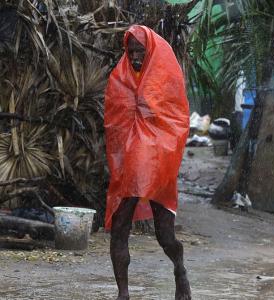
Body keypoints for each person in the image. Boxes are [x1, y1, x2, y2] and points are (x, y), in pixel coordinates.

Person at [104, 25, 191, 300]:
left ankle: (180, 270)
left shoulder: (164, 77)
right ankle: (123, 293)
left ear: (151, 50)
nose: (136, 57)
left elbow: (176, 121)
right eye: (131, 52)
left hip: (156, 164)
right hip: (128, 168)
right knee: (119, 228)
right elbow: (114, 122)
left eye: (141, 51)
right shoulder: (119, 78)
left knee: (165, 236)